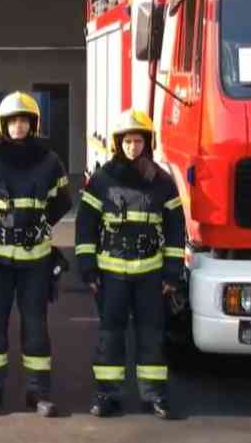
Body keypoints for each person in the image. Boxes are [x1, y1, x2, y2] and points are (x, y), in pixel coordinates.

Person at [75, 110, 185, 419]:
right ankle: (108, 396)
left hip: (150, 274)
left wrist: (172, 273)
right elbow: (85, 225)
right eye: (127, 141)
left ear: (147, 143)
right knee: (110, 336)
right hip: (111, 275)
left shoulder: (162, 181)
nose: (132, 147)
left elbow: (176, 228)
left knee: (151, 336)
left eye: (138, 141)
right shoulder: (102, 179)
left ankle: (154, 397)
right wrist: (88, 267)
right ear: (117, 143)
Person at [0, 91, 72, 418]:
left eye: (24, 120)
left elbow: (62, 200)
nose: (18, 126)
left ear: (33, 124)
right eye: (12, 121)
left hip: (36, 262)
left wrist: (35, 226)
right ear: (2, 125)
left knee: (36, 327)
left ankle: (37, 394)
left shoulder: (50, 162)